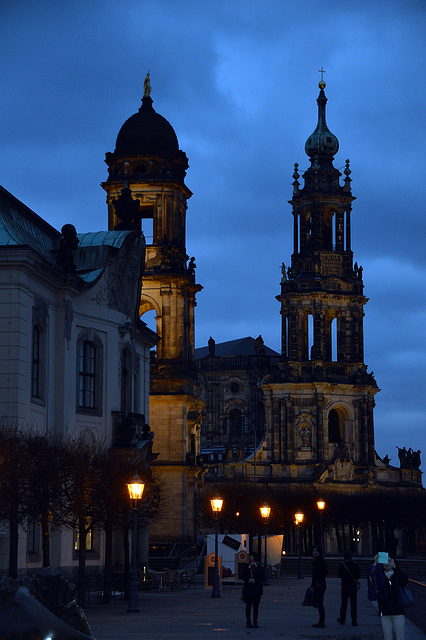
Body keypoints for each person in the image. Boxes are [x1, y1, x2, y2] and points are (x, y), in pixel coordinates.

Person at [373, 555, 408, 640]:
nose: (386, 563)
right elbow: (372, 581)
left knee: (400, 636)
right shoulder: (380, 576)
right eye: (384, 561)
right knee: (387, 637)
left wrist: (395, 568)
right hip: (385, 611)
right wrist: (375, 564)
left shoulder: (396, 575)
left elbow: (404, 581)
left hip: (398, 611)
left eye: (388, 561)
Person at [337, 550, 361, 626]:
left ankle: (342, 619)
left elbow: (339, 575)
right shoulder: (355, 565)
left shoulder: (342, 565)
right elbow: (359, 576)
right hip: (353, 586)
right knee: (353, 604)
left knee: (344, 603)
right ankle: (354, 620)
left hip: (344, 586)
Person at [242, 551, 264, 628]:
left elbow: (262, 578)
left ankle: (255, 621)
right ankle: (248, 621)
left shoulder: (259, 567)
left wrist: (256, 580)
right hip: (248, 589)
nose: (250, 558)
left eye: (252, 556)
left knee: (256, 606)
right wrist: (247, 579)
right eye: (250, 556)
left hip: (256, 589)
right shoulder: (246, 566)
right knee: (248, 606)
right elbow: (242, 575)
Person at [311, 546, 328, 628]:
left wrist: (319, 581)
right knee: (319, 603)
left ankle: (322, 621)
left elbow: (324, 572)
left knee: (320, 603)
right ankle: (321, 620)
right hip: (318, 584)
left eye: (316, 551)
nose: (315, 552)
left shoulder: (320, 561)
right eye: (314, 551)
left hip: (320, 584)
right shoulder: (315, 561)